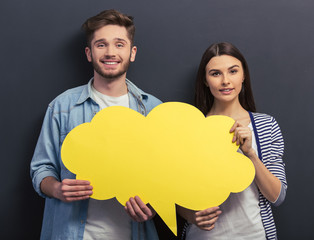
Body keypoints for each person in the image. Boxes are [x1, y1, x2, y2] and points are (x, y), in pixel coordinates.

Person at [30, 9, 161, 240]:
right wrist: (57, 189)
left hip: (134, 233)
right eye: (101, 45)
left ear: (132, 53)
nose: (111, 52)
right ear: (89, 53)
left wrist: (154, 207)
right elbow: (41, 170)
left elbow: (168, 178)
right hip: (71, 233)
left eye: (119, 44)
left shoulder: (155, 111)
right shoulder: (62, 106)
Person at [177, 42, 287, 240]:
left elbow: (277, 196)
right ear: (205, 80)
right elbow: (176, 194)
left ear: (243, 75)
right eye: (215, 73)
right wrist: (192, 216)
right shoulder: (189, 129)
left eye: (233, 71)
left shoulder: (266, 125)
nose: (225, 81)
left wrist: (250, 154)